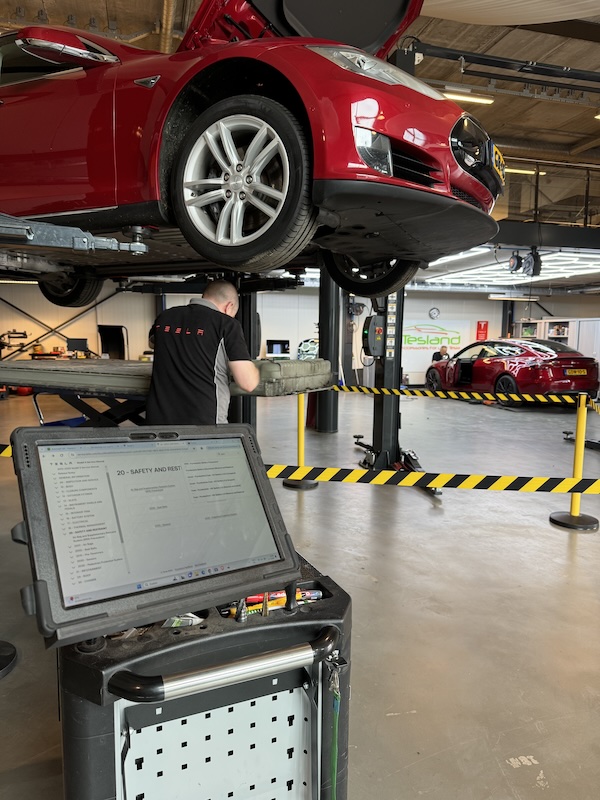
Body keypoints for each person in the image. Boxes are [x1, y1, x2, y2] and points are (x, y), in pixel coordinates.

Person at [146, 280, 260, 425]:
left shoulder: (165, 317)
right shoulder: (226, 324)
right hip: (204, 425)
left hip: (158, 422)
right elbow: (248, 383)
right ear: (229, 306)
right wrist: (258, 371)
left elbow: (152, 342)